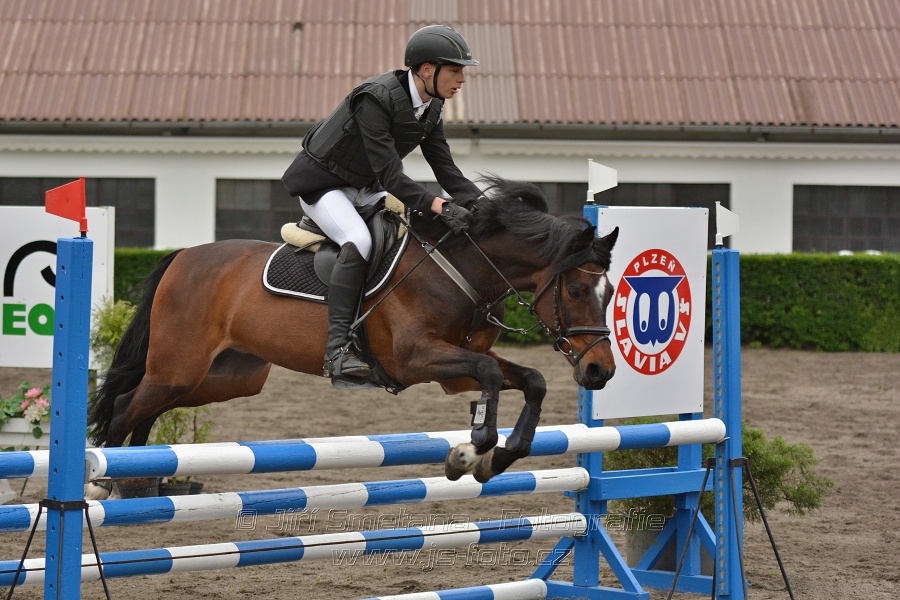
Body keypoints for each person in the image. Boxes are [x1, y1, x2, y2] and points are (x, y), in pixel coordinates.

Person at [282, 24, 482, 380]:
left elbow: (445, 168)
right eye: (455, 70)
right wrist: (438, 205)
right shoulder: (375, 98)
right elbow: (390, 173)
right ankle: (337, 351)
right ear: (426, 70)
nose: (462, 79)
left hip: (365, 189)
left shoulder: (432, 106)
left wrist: (481, 204)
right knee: (358, 241)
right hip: (324, 187)